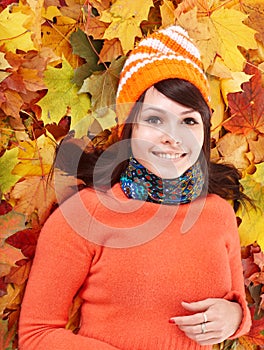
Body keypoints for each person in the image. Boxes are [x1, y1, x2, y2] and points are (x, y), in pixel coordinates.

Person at [18, 25, 252, 350]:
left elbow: (236, 307)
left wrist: (234, 317)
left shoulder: (218, 213)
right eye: (155, 120)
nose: (173, 136)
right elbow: (37, 334)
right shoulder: (84, 214)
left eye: (188, 120)